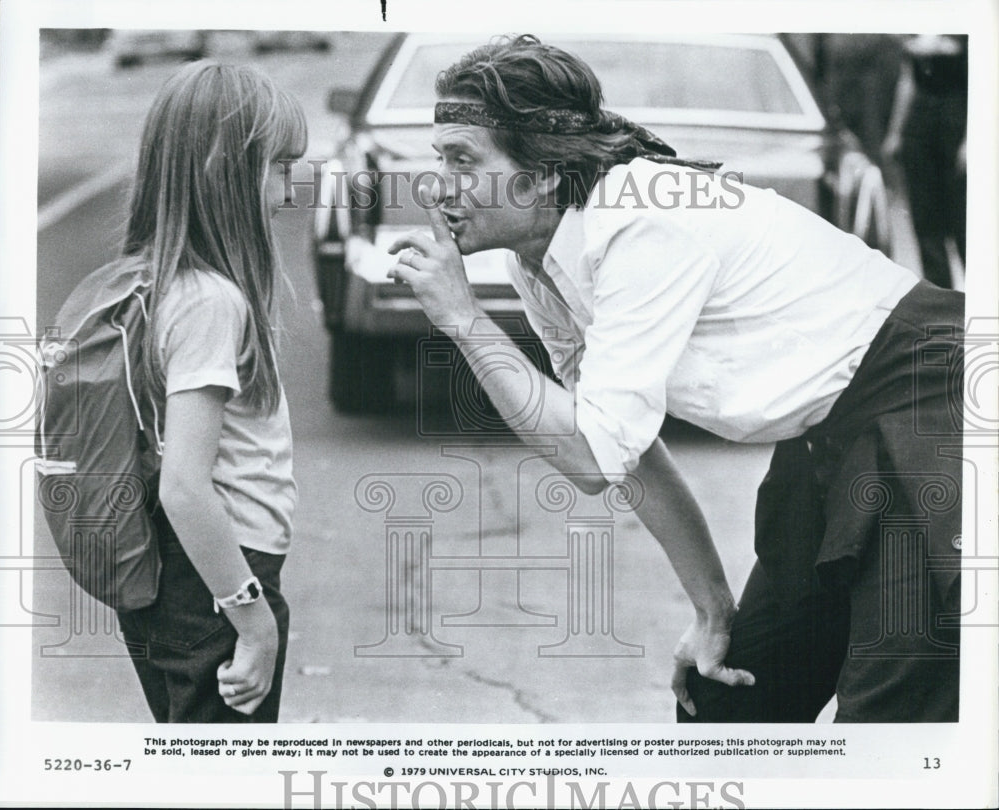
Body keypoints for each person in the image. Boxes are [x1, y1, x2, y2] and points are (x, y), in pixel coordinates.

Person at [388, 35, 964, 723]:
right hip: (827, 435)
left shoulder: (638, 223)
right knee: (728, 697)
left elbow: (591, 458)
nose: (438, 185)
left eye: (462, 160)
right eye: (438, 159)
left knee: (891, 729)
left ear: (540, 173)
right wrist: (712, 607)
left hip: (930, 405)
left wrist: (463, 319)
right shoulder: (539, 258)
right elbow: (619, 445)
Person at [113, 61, 305, 722]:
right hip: (218, 583)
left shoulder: (149, 282)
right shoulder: (209, 302)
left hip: (181, 578)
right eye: (280, 168)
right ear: (226, 169)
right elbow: (186, 485)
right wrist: (253, 620)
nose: (289, 193)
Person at [882, 34, 968, 289]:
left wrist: (971, 139)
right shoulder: (919, 27)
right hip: (920, 126)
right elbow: (908, 81)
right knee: (925, 218)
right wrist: (896, 132)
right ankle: (943, 301)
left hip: (957, 121)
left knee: (962, 219)